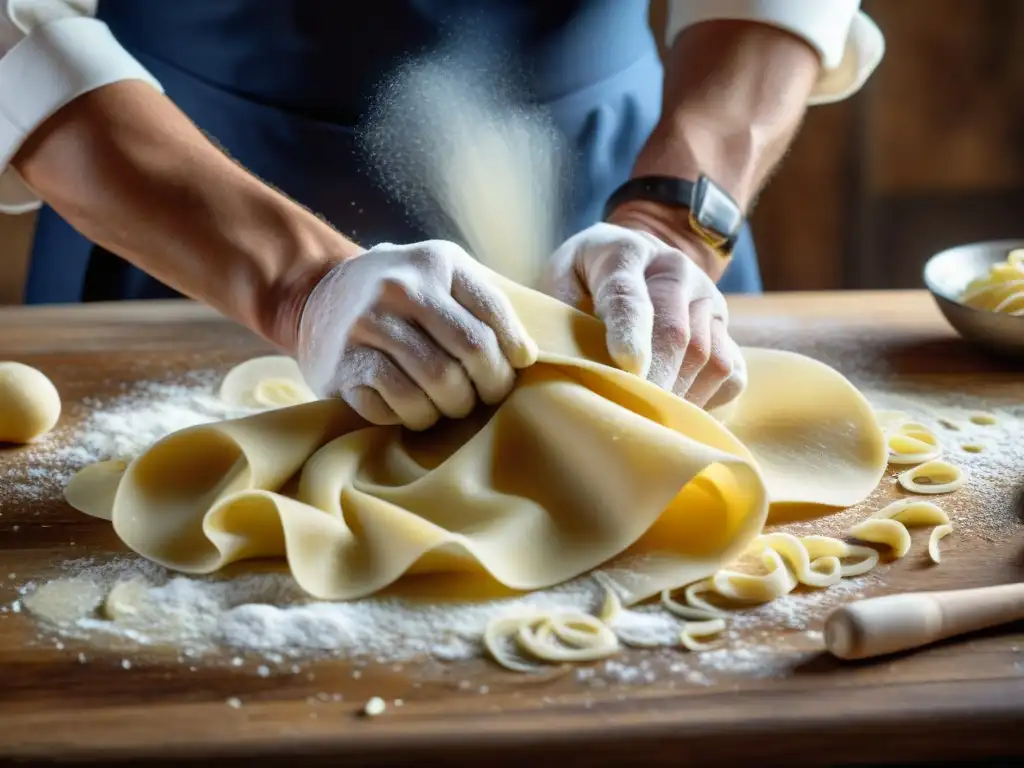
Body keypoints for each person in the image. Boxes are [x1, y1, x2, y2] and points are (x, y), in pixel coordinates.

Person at [0, 1, 883, 430]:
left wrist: (672, 219)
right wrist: (298, 288)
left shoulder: (665, 215)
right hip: (172, 199)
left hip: (637, 181)